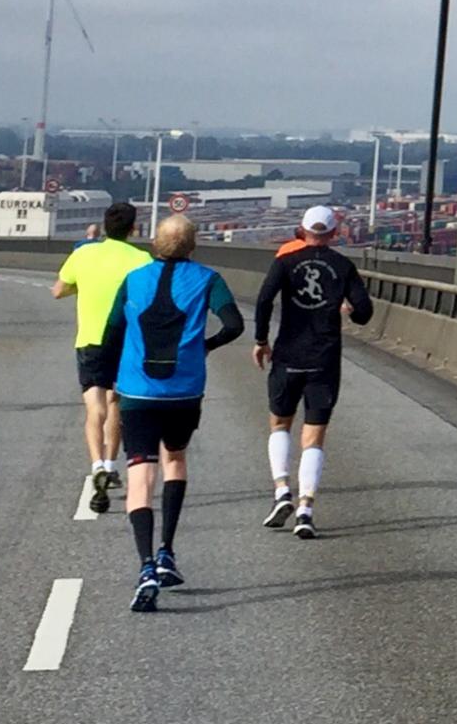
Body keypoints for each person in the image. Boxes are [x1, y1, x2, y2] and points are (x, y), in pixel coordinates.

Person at [105, 213, 244, 610]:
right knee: (176, 459)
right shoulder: (208, 279)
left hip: (137, 391)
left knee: (139, 474)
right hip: (184, 391)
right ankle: (167, 550)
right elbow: (234, 325)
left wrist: (112, 378)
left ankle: (145, 565)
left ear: (154, 243)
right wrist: (205, 346)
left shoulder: (133, 279)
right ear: (193, 245)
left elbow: (112, 330)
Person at [253, 204, 372, 539]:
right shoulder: (343, 266)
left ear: (302, 230)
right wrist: (349, 311)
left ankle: (281, 491)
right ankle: (306, 509)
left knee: (280, 423)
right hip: (324, 358)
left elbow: (263, 300)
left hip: (288, 353)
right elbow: (364, 311)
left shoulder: (285, 261)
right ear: (334, 233)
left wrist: (261, 340)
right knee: (314, 435)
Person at [50, 199, 152, 517]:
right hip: (126, 340)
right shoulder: (142, 259)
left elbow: (58, 290)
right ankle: (110, 463)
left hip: (90, 340)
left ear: (104, 226)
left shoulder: (83, 254)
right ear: (133, 229)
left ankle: (96, 466)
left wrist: (81, 288)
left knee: (94, 407)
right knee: (115, 402)